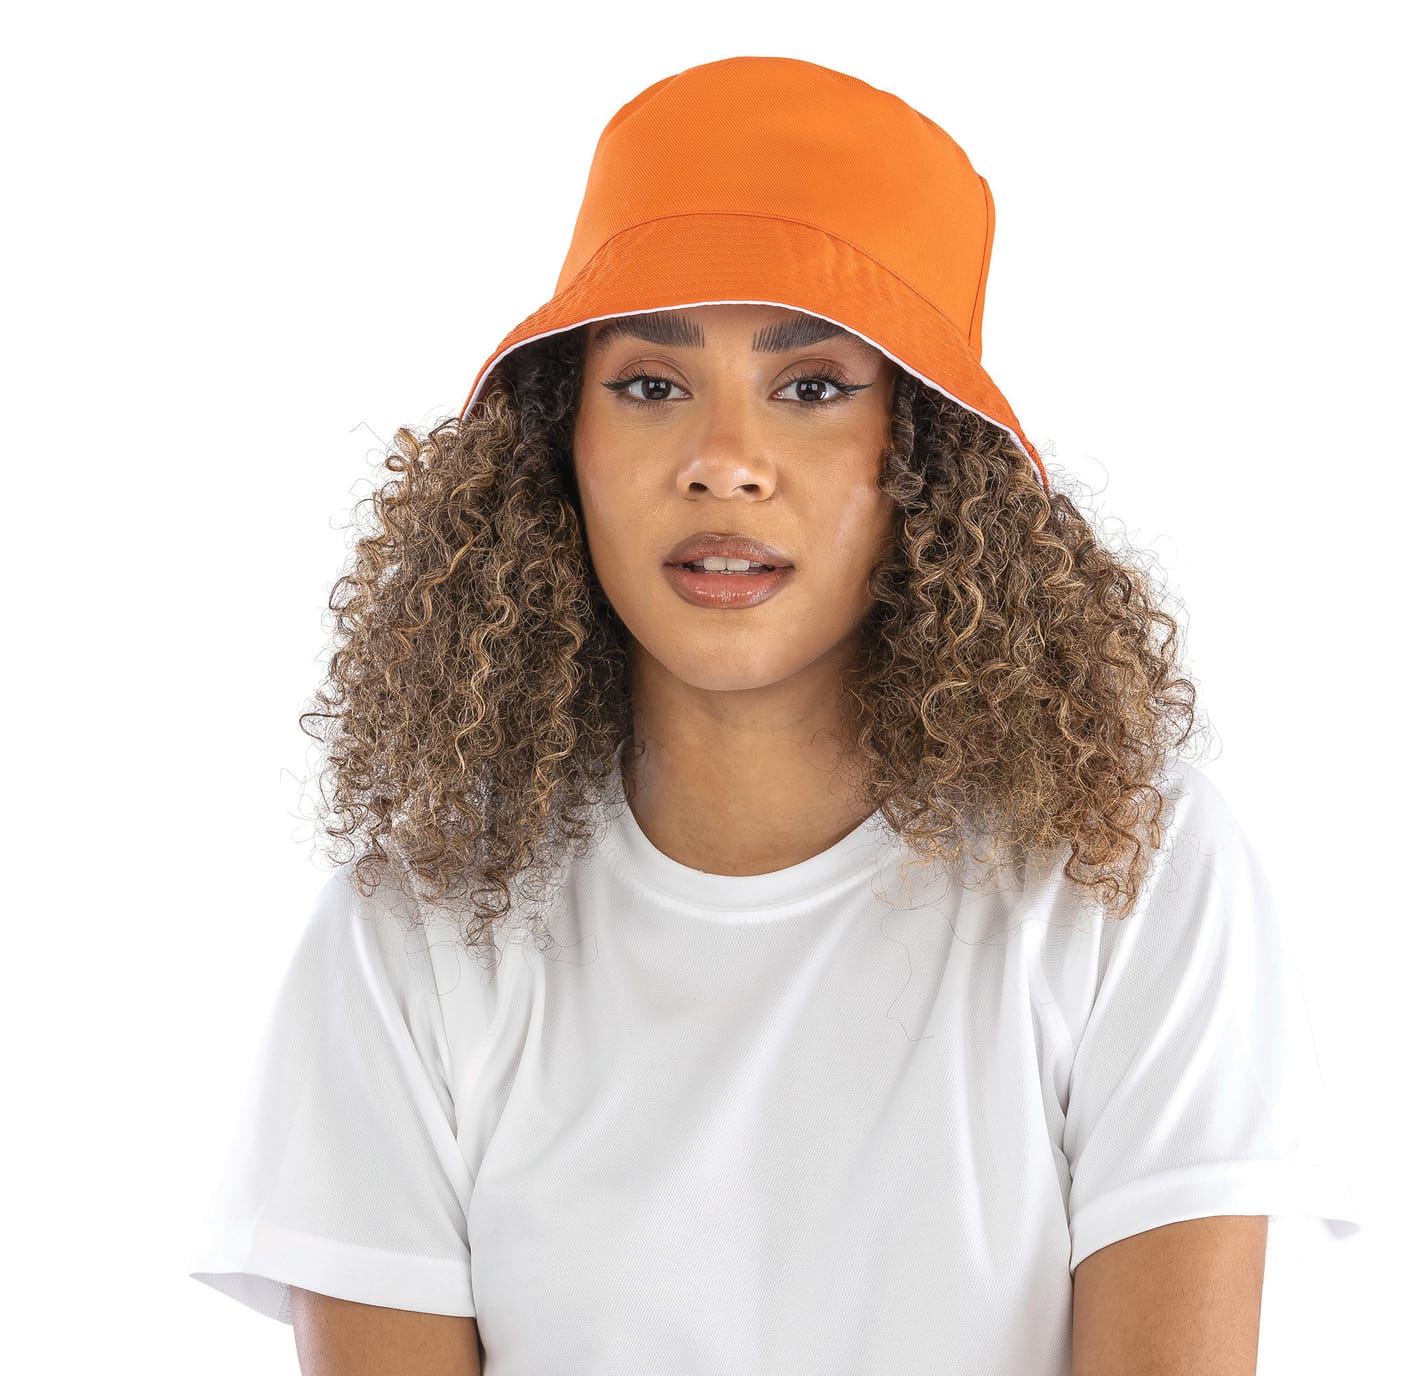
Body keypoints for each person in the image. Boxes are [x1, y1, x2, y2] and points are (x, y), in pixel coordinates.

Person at [187, 55, 1361, 1375]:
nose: (723, 462)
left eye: (811, 386)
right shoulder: (414, 929)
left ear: (923, 454)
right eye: (650, 383)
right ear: (559, 446)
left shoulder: (1121, 867)